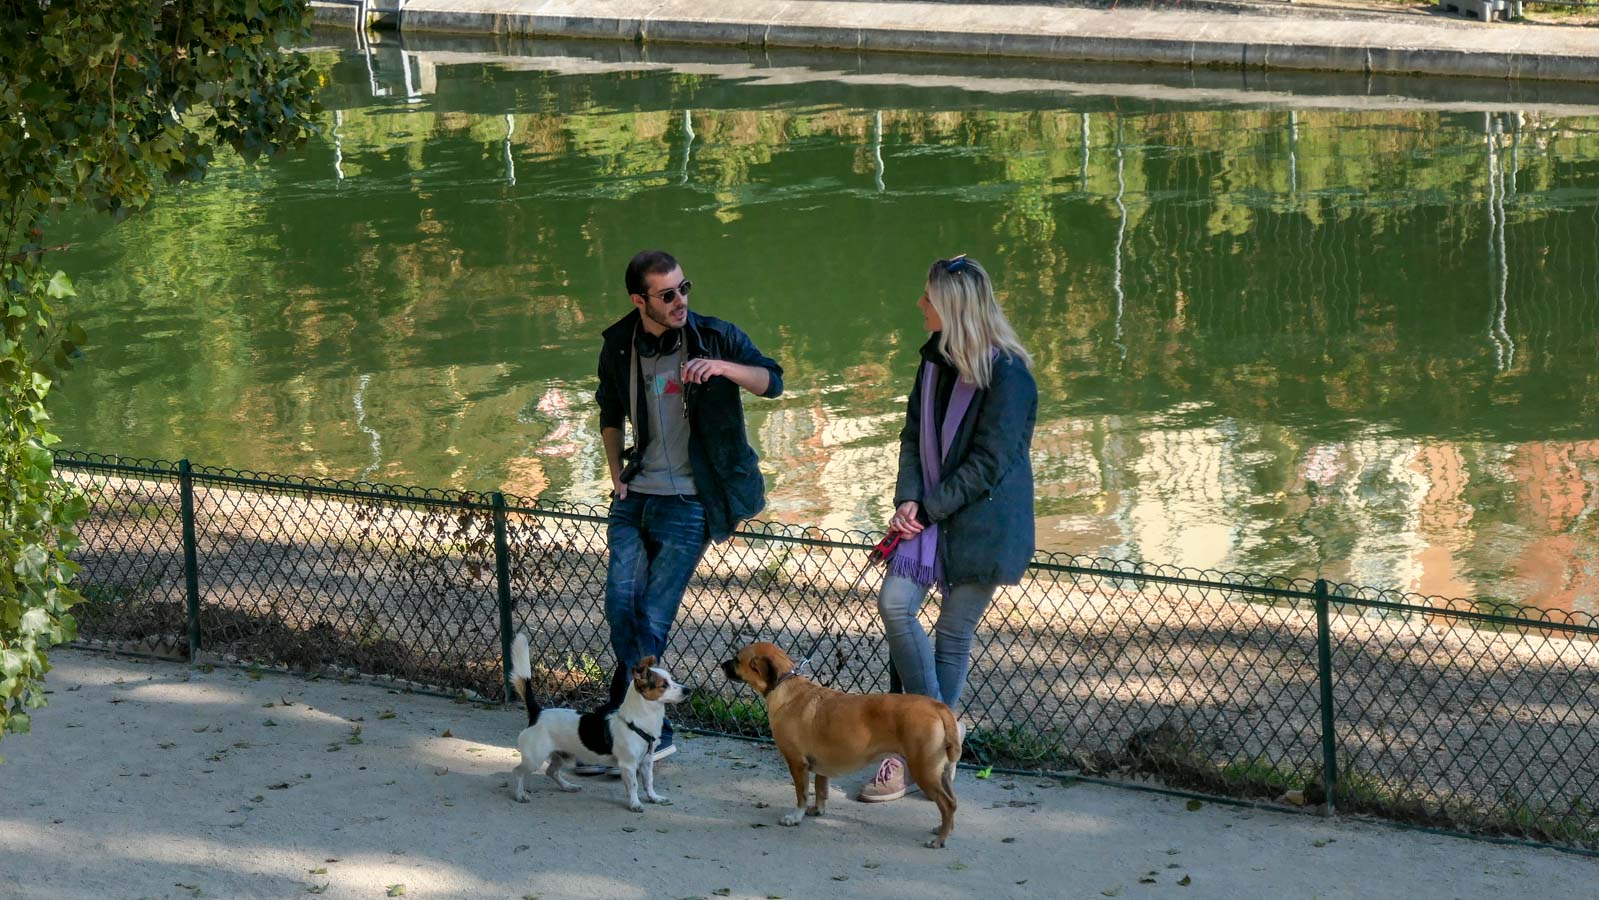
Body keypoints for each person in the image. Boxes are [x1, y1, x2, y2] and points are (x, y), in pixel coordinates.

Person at [585, 249, 783, 772]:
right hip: (635, 494)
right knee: (620, 604)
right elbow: (609, 410)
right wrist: (615, 473)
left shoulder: (716, 336)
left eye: (684, 288)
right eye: (667, 294)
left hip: (692, 501)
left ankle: (631, 732)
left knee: (652, 615)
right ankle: (648, 729)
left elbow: (773, 381)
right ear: (640, 300)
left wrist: (723, 368)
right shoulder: (619, 344)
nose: (680, 301)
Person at [858, 254, 1038, 802]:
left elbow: (989, 463)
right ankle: (938, 737)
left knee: (954, 635)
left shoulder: (1009, 375)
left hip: (985, 524)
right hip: (930, 516)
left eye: (928, 298)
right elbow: (913, 437)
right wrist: (909, 499)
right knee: (895, 605)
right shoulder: (933, 361)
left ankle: (913, 752)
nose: (920, 305)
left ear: (953, 307)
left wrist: (927, 509)